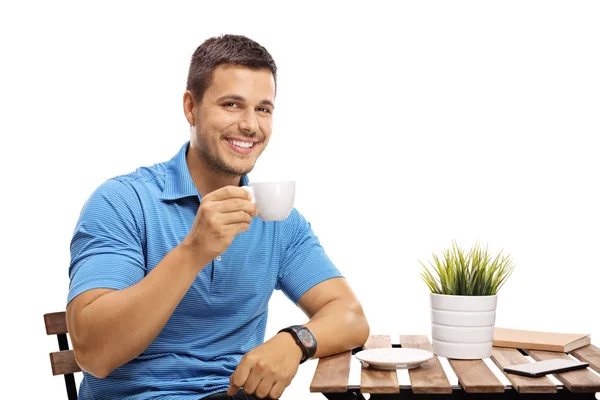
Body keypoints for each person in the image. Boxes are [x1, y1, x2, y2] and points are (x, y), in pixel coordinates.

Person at [66, 34, 370, 400]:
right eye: (231, 104)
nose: (250, 125)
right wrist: (194, 250)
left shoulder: (277, 219)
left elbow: (350, 315)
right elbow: (94, 354)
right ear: (191, 108)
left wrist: (294, 341)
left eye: (263, 109)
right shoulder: (123, 202)